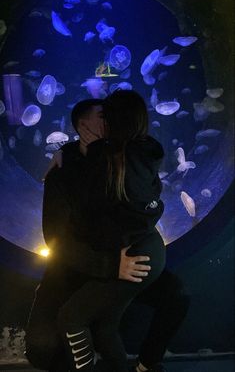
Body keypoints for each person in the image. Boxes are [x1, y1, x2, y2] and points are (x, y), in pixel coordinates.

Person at [25, 96, 189, 372]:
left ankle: (146, 365)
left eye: (111, 115)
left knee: (177, 296)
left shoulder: (125, 156)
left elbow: (148, 200)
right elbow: (56, 240)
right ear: (82, 125)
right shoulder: (63, 171)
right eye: (102, 115)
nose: (109, 119)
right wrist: (110, 264)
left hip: (127, 254)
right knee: (42, 348)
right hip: (79, 263)